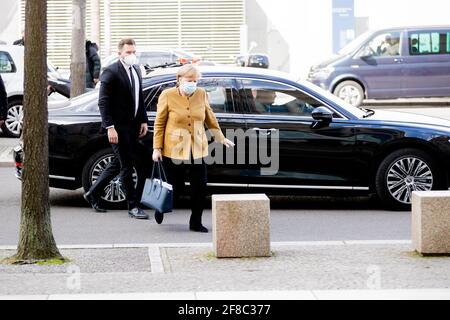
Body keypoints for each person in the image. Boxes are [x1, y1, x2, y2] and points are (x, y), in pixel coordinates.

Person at [152, 64, 235, 232]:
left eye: (195, 80)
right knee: (175, 188)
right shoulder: (167, 95)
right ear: (180, 80)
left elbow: (210, 118)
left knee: (200, 188)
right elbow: (159, 123)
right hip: (174, 149)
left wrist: (221, 137)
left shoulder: (201, 94)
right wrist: (157, 148)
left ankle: (195, 222)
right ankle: (160, 207)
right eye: (190, 80)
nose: (193, 83)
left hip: (198, 149)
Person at [83, 38, 149, 219]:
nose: (132, 55)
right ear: (120, 53)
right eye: (128, 52)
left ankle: (92, 193)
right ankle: (133, 206)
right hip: (118, 128)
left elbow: (138, 97)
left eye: (134, 52)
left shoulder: (136, 70)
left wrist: (142, 120)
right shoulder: (111, 72)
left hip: (133, 127)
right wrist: (110, 128)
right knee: (127, 165)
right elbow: (103, 102)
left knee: (117, 163)